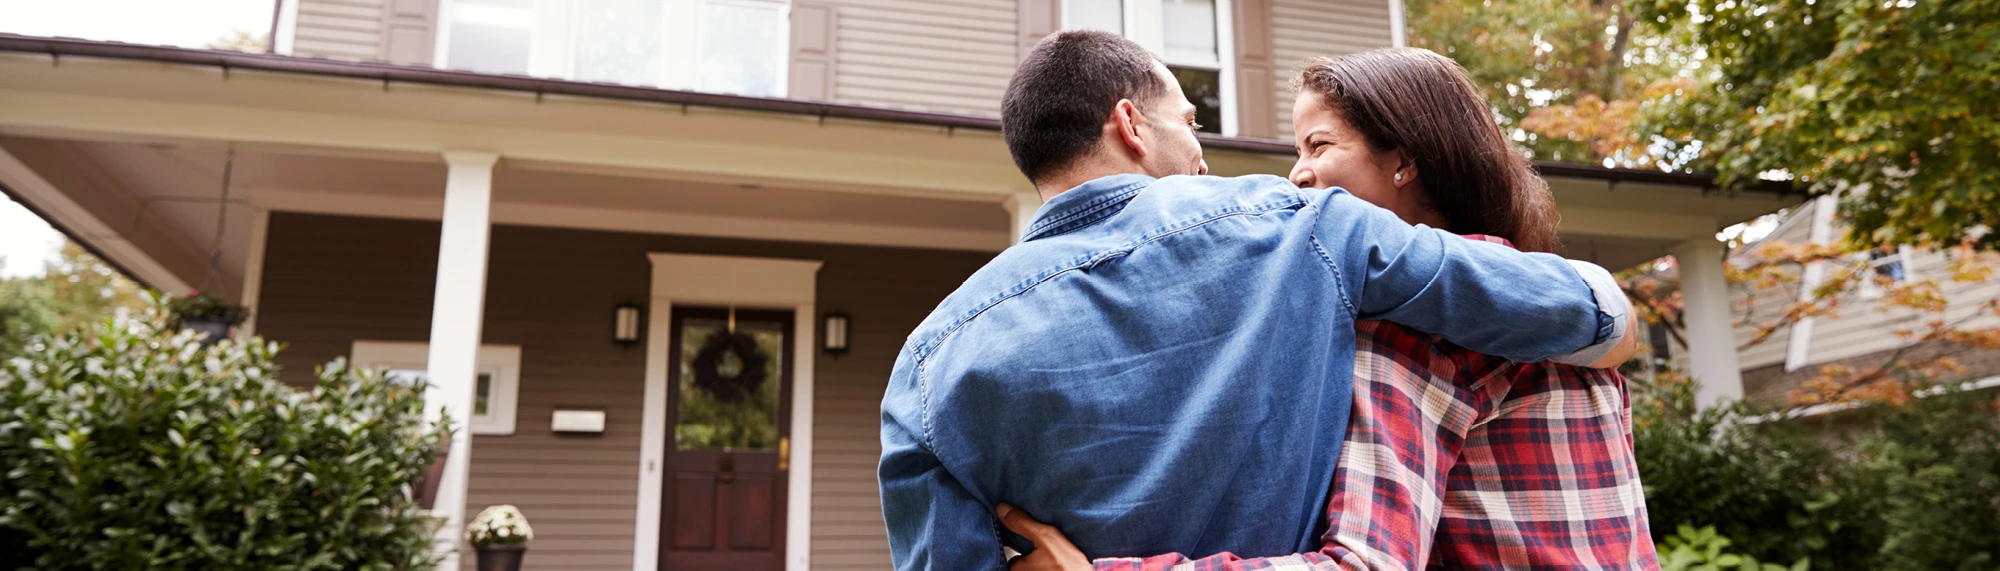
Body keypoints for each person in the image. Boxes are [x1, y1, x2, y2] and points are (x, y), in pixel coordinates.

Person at [878, 31, 1639, 571]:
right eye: (1190, 121)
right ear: (1130, 126)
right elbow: (1558, 304)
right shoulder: (1301, 231)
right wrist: (1613, 311)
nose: (1204, 153)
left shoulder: (925, 365)